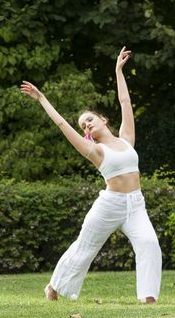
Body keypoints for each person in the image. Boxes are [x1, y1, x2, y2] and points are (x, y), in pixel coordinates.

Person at [20, 47, 162, 303]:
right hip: (110, 205)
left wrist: (118, 70)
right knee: (85, 247)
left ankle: (148, 298)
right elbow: (62, 124)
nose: (86, 124)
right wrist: (41, 98)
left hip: (136, 204)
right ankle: (53, 286)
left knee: (149, 244)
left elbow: (125, 103)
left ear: (103, 119)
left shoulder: (126, 139)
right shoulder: (95, 150)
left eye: (89, 119)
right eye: (83, 125)